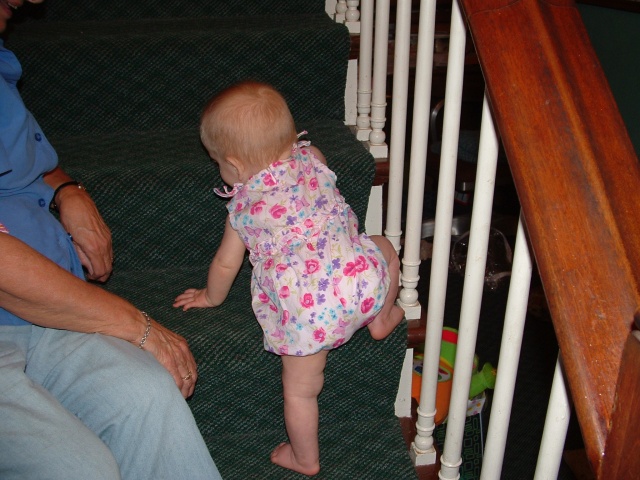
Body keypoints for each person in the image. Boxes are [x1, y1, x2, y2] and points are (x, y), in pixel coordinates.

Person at [0, 1, 222, 479]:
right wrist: (137, 324)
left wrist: (66, 189)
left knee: (148, 392)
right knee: (79, 469)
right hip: (20, 306)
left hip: (42, 316)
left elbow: (20, 166)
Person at [173, 80, 404, 475]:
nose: (221, 171)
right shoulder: (313, 157)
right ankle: (381, 316)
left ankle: (305, 458)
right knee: (383, 245)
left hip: (309, 316)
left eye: (220, 164)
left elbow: (226, 265)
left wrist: (210, 297)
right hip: (361, 281)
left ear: (237, 165)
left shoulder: (243, 208)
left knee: (300, 391)